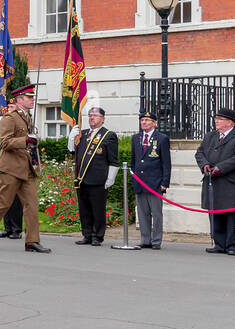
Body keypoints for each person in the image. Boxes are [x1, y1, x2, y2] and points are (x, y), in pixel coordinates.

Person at [0, 83, 51, 253]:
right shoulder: (10, 118)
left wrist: (32, 142)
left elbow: (26, 141)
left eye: (32, 97)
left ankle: (32, 241)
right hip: (10, 167)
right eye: (29, 97)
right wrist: (25, 140)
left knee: (32, 204)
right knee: (4, 202)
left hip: (25, 167)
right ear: (20, 100)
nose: (32, 100)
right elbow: (5, 142)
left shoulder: (27, 117)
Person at [194, 107, 235, 255]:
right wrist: (205, 165)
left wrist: (220, 168)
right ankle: (219, 244)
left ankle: (234, 245)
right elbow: (199, 152)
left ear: (230, 122)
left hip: (231, 182)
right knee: (215, 213)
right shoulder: (210, 136)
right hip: (212, 182)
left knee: (233, 215)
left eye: (220, 119)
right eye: (216, 118)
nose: (216, 121)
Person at [68, 105, 118, 245]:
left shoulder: (108, 136)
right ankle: (87, 234)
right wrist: (72, 138)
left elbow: (113, 159)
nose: (92, 118)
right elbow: (73, 152)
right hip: (82, 179)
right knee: (84, 209)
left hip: (98, 179)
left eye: (95, 116)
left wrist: (110, 178)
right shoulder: (82, 134)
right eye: (90, 115)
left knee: (98, 210)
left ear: (102, 119)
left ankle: (97, 236)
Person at [130, 109, 171, 249]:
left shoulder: (162, 138)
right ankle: (145, 239)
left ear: (155, 123)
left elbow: (166, 163)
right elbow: (133, 161)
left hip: (155, 183)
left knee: (156, 214)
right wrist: (134, 179)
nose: (144, 122)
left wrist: (165, 183)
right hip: (140, 182)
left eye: (147, 120)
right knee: (142, 213)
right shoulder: (136, 138)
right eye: (142, 120)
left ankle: (156, 240)